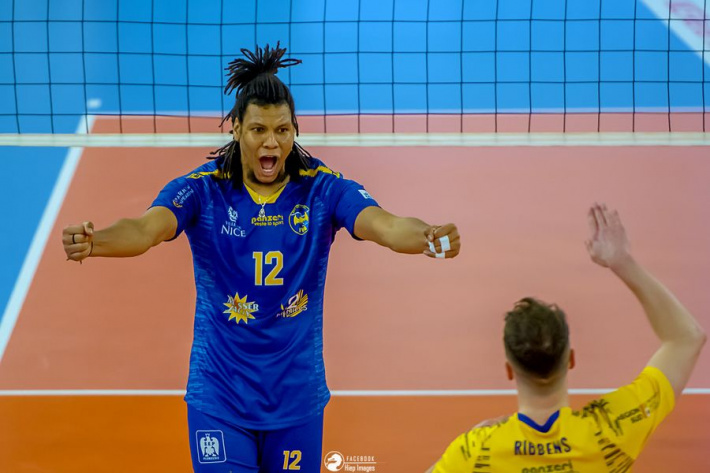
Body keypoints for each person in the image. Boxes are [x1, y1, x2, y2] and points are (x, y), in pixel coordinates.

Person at [62, 42, 460, 473]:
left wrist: (426, 236)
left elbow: (383, 224)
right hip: (220, 396)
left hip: (296, 400)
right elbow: (145, 229)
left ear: (294, 130)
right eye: (258, 130)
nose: (271, 142)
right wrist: (95, 241)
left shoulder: (322, 188)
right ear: (235, 128)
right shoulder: (203, 188)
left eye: (283, 130)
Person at [427, 203, 705, 472]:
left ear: (509, 370)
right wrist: (622, 263)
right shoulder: (613, 427)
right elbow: (687, 338)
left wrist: (469, 447)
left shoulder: (477, 451)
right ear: (571, 358)